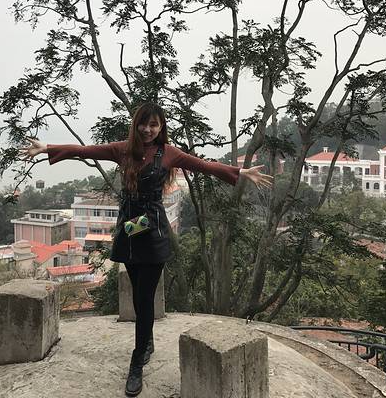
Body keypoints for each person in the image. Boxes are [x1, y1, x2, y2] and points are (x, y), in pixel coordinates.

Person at [18, 103, 273, 397]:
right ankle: (147, 341)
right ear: (136, 124)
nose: (148, 129)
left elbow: (203, 165)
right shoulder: (123, 150)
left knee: (144, 297)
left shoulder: (169, 153)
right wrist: (47, 148)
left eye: (154, 125)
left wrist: (240, 172)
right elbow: (86, 151)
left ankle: (137, 361)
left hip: (153, 231)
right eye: (144, 124)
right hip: (129, 229)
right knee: (140, 297)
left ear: (161, 127)